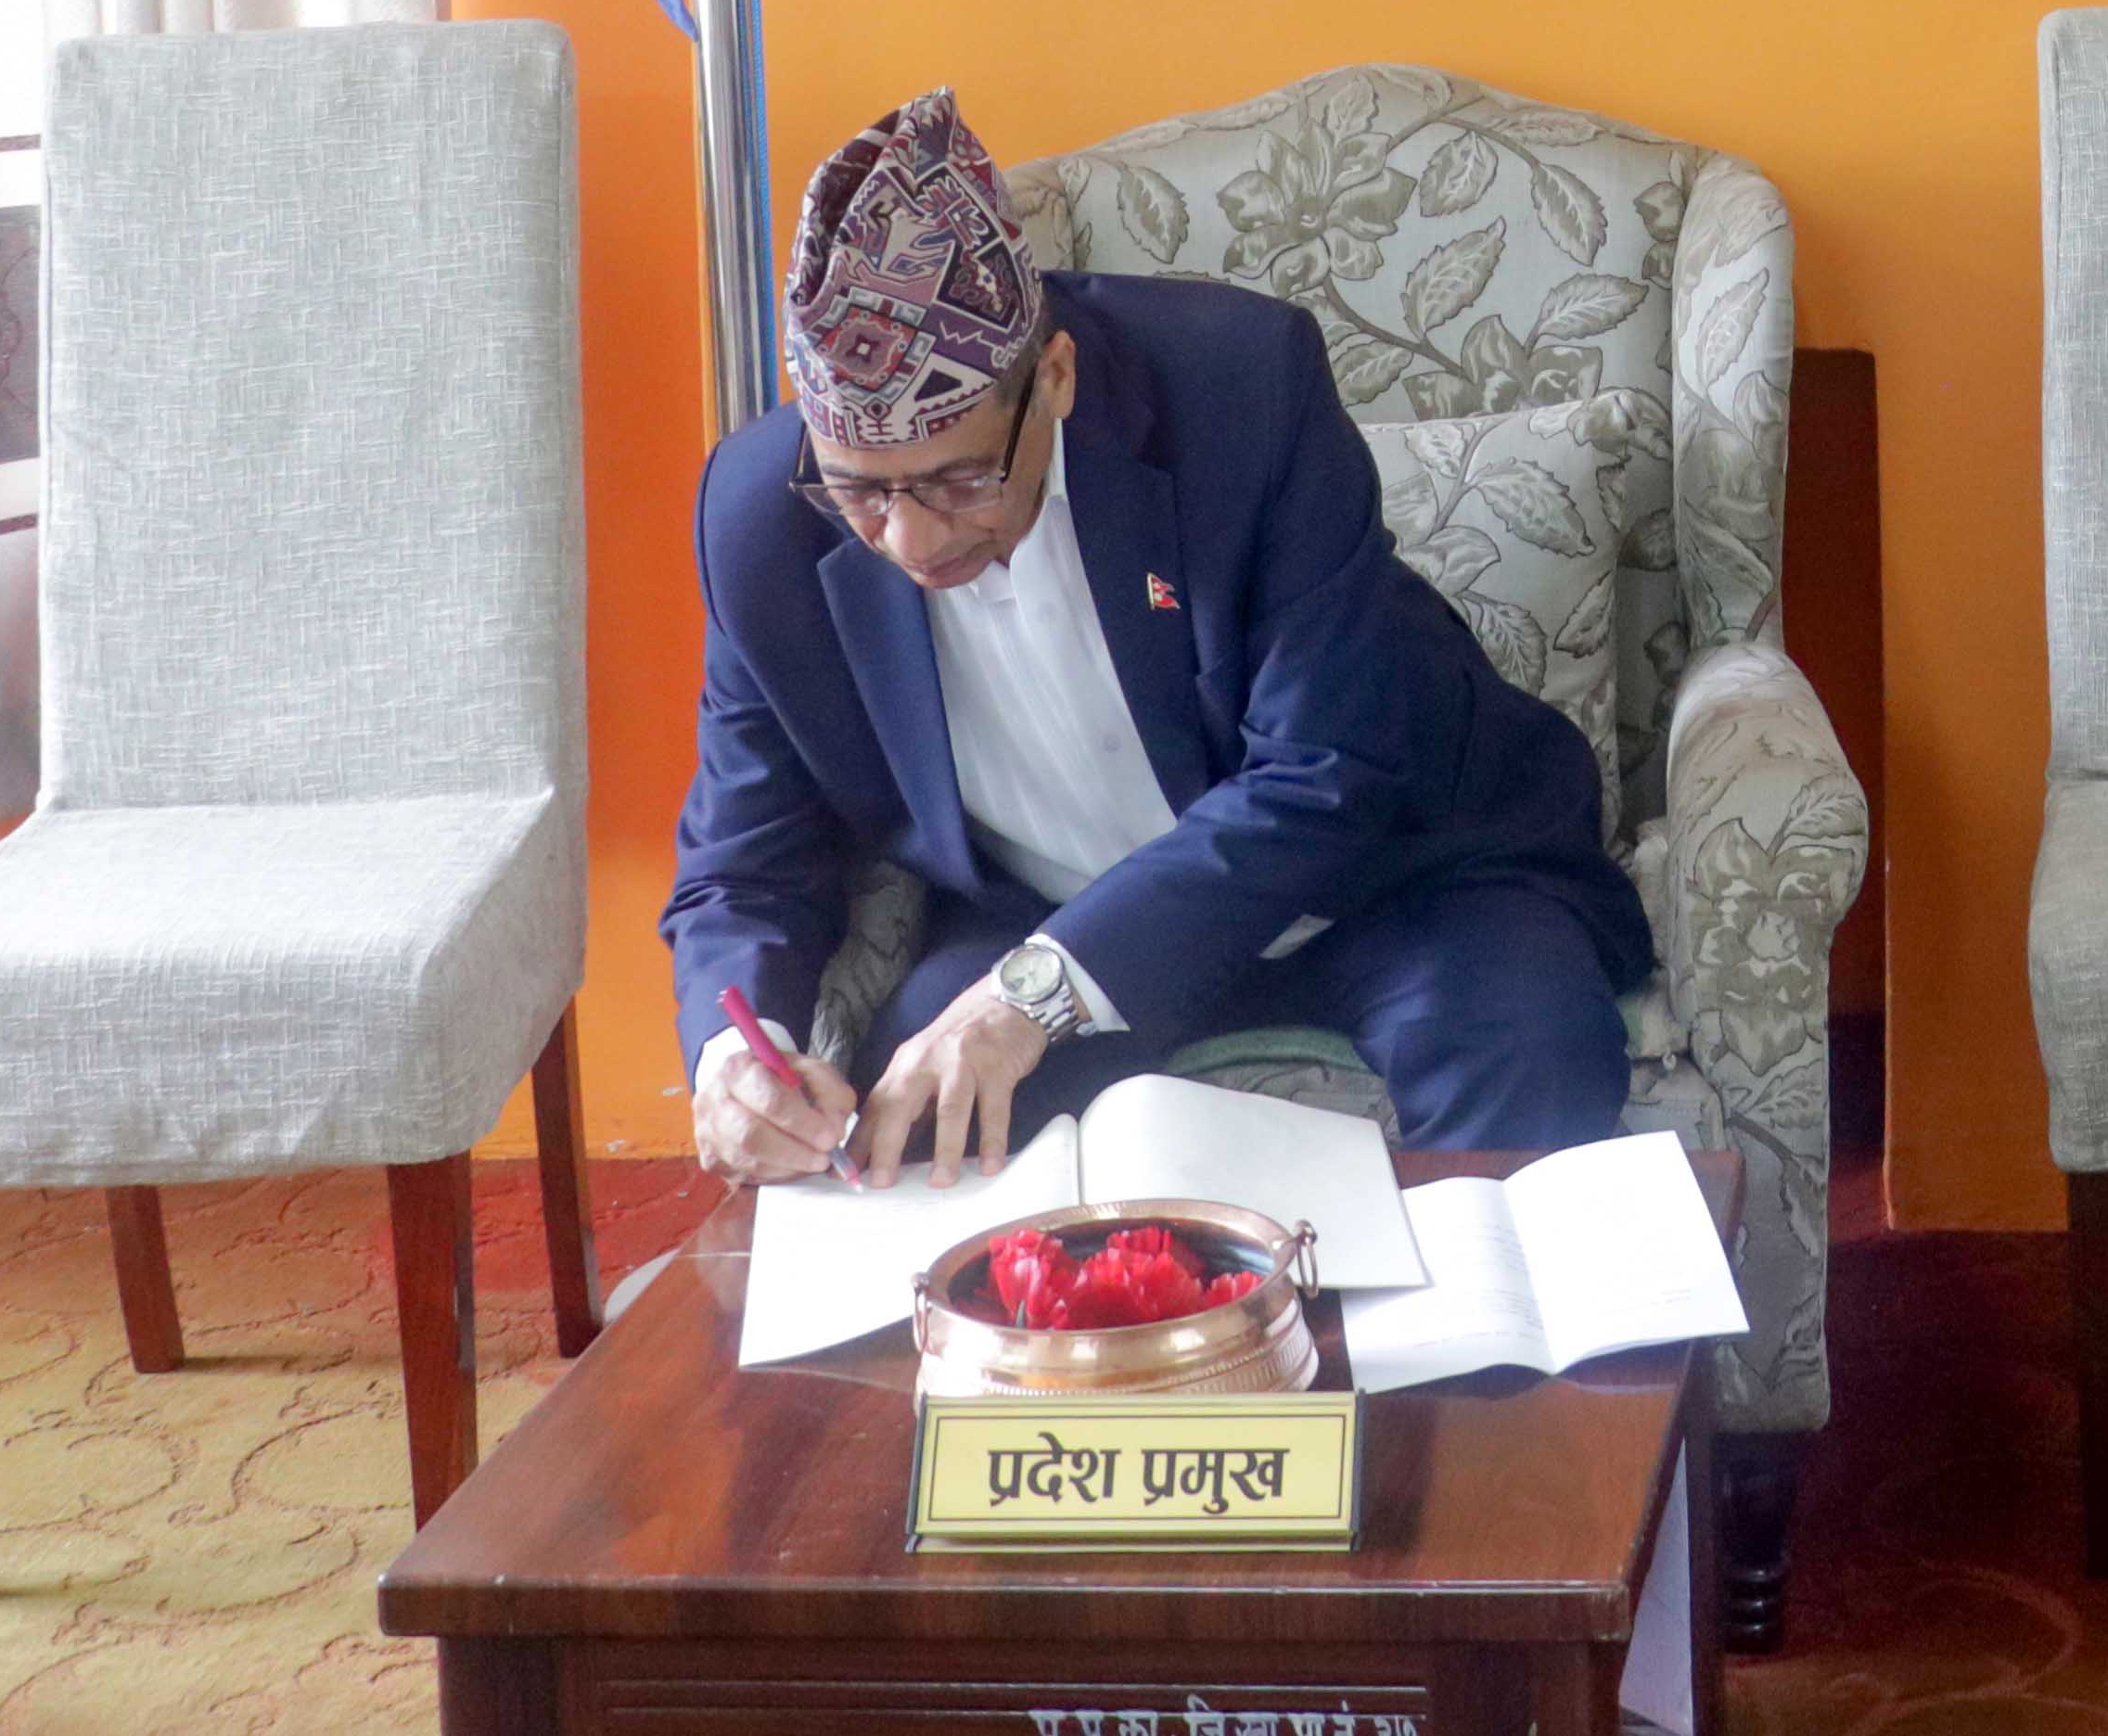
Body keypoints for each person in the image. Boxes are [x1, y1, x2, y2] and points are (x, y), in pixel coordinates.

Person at [665, 90, 1644, 1184]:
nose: (910, 537)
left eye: (961, 478)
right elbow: (741, 865)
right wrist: (733, 1059)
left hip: (1398, 878)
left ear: (1056, 378)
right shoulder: (758, 521)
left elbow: (1332, 769)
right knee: (914, 1136)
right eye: (861, 490)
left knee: (1529, 1054)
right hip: (1050, 908)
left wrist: (1035, 992)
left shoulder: (1241, 388)